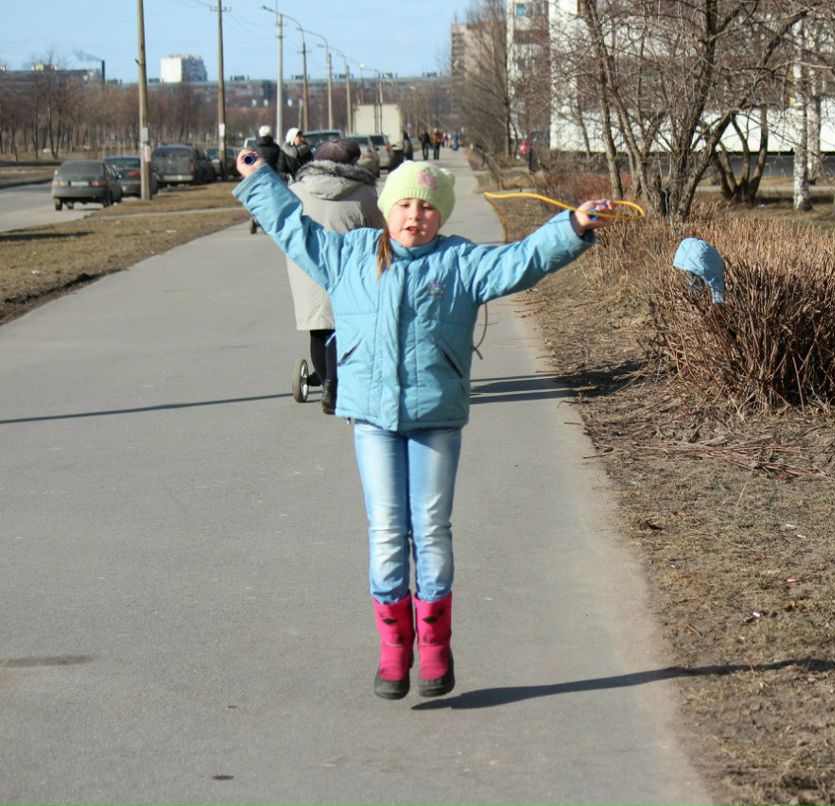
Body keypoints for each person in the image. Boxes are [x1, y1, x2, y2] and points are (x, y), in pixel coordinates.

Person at [232, 152, 615, 700]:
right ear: (387, 209)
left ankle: (435, 645)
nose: (416, 216)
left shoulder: (460, 263)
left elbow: (524, 260)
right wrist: (260, 180)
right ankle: (394, 648)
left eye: (429, 207)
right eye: (406, 204)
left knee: (431, 527)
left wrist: (571, 226)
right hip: (372, 419)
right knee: (388, 530)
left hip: (436, 416)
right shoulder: (349, 256)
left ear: (442, 215)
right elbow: (294, 230)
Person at [285, 137, 384, 414]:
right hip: (350, 268)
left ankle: (329, 380)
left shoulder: (297, 191)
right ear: (353, 162)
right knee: (345, 325)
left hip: (309, 267)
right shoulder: (364, 193)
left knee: (319, 326)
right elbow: (379, 229)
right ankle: (334, 382)